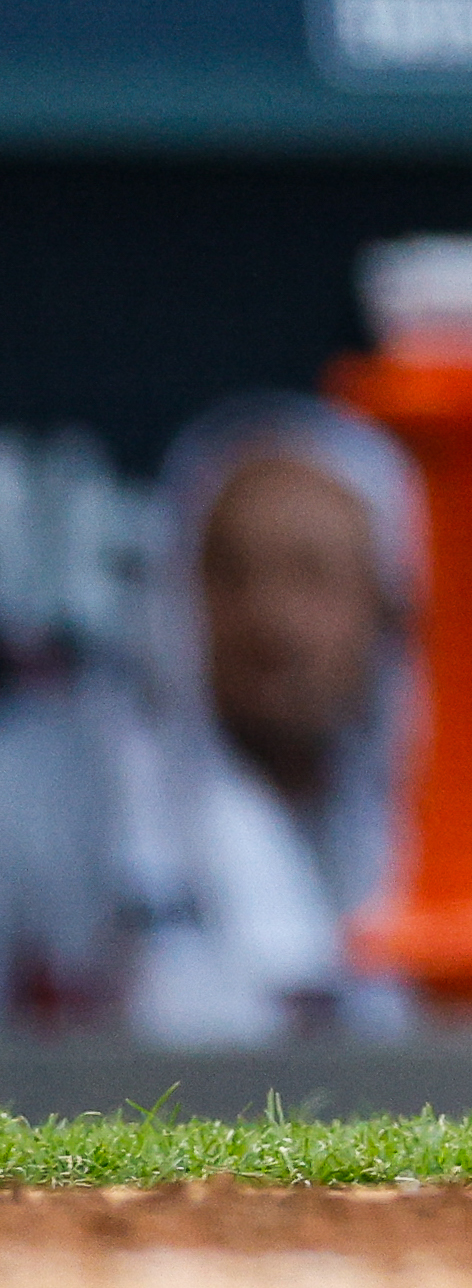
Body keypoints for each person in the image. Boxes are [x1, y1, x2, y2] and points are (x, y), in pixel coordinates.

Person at [0, 400, 422, 1040]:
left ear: (388, 604)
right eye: (233, 573)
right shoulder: (53, 800)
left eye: (313, 576)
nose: (272, 620)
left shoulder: (462, 817)